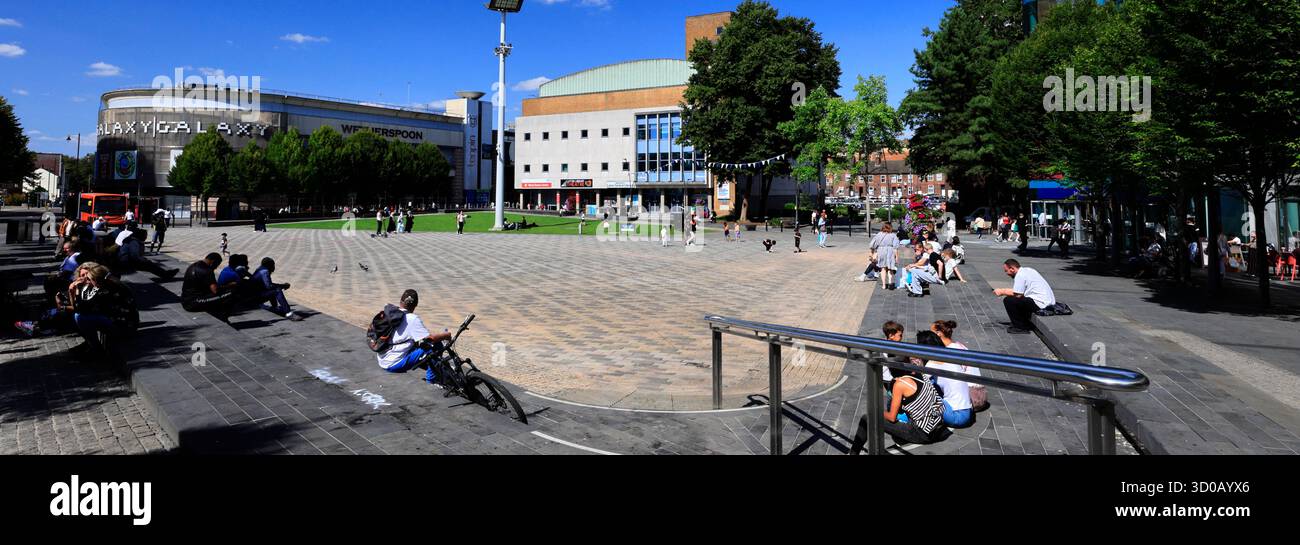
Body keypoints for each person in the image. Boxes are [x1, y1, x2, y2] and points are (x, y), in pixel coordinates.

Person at [849, 357, 948, 452]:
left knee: (867, 418)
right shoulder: (919, 373)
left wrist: (876, 410)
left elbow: (892, 417)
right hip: (939, 426)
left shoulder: (899, 384)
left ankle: (853, 453)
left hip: (923, 433)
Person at [375, 290, 453, 384]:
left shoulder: (391, 314)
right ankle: (432, 380)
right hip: (393, 363)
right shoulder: (412, 319)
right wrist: (446, 335)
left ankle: (434, 368)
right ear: (415, 305)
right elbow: (430, 339)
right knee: (434, 346)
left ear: (401, 301)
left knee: (419, 347)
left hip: (382, 358)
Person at [67, 262, 138, 360]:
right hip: (110, 317)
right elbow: (78, 306)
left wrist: (76, 291)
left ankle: (95, 348)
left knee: (80, 317)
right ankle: (90, 343)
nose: (83, 279)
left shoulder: (106, 288)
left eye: (87, 277)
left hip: (123, 323)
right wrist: (72, 293)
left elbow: (81, 308)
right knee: (78, 315)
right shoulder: (92, 286)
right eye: (82, 275)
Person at [916, 330, 974, 428]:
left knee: (923, 392)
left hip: (956, 416)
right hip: (968, 412)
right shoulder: (950, 356)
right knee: (933, 383)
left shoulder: (933, 363)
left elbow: (918, 384)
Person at [929, 320, 987, 412]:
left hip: (971, 399)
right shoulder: (959, 346)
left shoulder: (949, 351)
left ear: (938, 333)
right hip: (981, 395)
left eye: (931, 332)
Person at [993, 258, 1056, 334]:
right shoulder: (1028, 270)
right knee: (1020, 300)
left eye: (1006, 271)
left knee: (1009, 300)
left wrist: (1002, 291)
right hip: (1047, 302)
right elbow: (1019, 292)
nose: (1007, 273)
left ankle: (1020, 327)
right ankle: (1024, 322)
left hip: (1041, 304)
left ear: (1012, 269)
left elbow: (1018, 294)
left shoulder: (1020, 275)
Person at [182, 253, 234, 322]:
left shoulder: (193, 265)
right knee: (231, 293)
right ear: (213, 262)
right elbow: (215, 290)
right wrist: (229, 285)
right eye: (217, 265)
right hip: (194, 303)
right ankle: (223, 319)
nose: (216, 268)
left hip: (185, 301)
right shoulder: (207, 271)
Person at [872, 223, 900, 290]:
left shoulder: (878, 234)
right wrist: (897, 257)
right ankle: (890, 283)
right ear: (890, 228)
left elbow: (873, 244)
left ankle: (884, 285)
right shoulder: (893, 235)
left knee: (883, 268)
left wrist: (873, 252)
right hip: (890, 251)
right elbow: (895, 247)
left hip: (881, 251)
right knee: (890, 268)